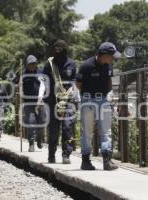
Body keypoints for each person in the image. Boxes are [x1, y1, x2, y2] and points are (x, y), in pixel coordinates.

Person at [76, 42, 120, 171]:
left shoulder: (109, 66)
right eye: (111, 56)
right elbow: (78, 84)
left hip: (103, 100)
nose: (113, 59)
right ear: (104, 55)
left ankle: (107, 161)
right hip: (88, 100)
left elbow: (109, 82)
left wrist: (109, 95)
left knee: (106, 130)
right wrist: (87, 96)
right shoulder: (86, 66)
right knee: (87, 131)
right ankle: (85, 161)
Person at [42, 40, 77, 164]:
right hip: (52, 101)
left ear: (65, 49)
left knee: (68, 127)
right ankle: (51, 155)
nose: (57, 50)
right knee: (53, 129)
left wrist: (72, 93)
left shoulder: (71, 64)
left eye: (60, 48)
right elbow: (43, 80)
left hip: (68, 100)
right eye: (55, 48)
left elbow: (74, 80)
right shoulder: (49, 64)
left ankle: (66, 155)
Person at [20, 55, 47, 152]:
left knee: (42, 121)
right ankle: (31, 143)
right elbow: (19, 86)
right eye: (30, 64)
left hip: (40, 102)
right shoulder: (23, 75)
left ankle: (39, 139)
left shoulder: (41, 73)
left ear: (36, 64)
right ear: (27, 65)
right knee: (31, 123)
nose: (32, 66)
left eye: (34, 64)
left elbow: (45, 85)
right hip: (28, 103)